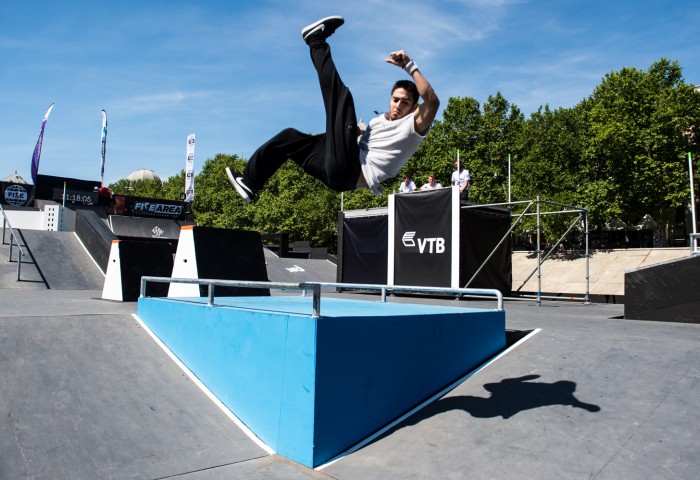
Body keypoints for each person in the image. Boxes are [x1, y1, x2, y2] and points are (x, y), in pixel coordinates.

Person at [226, 15, 439, 203]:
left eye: (405, 102)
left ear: (413, 107)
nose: (398, 105)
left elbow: (433, 103)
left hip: (350, 171)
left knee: (343, 99)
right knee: (289, 138)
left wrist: (409, 66)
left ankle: (315, 40)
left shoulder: (413, 126)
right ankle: (250, 183)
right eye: (395, 99)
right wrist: (353, 131)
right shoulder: (378, 121)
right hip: (332, 170)